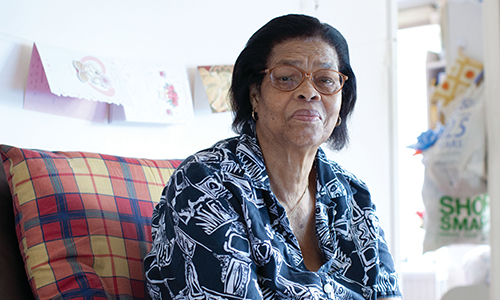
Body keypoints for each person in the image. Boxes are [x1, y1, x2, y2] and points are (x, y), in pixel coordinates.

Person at [144, 14, 402, 300]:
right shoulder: (205, 183)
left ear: (341, 104)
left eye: (326, 80)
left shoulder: (353, 196)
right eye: (286, 78)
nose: (308, 92)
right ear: (255, 95)